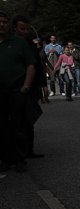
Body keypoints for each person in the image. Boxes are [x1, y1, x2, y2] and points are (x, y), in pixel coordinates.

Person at [0, 10, 35, 173]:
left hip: (17, 90)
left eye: (4, 22)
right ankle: (5, 159)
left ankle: (20, 159)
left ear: (9, 25)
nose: (2, 24)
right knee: (2, 127)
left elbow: (30, 65)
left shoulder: (20, 43)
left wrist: (26, 86)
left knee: (18, 125)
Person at [12, 14, 45, 159]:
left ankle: (29, 150)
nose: (24, 31)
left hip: (30, 87)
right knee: (14, 121)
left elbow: (37, 65)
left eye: (26, 29)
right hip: (13, 86)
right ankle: (16, 152)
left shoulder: (30, 44)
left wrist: (42, 85)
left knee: (29, 119)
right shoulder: (9, 43)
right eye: (21, 28)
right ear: (14, 28)